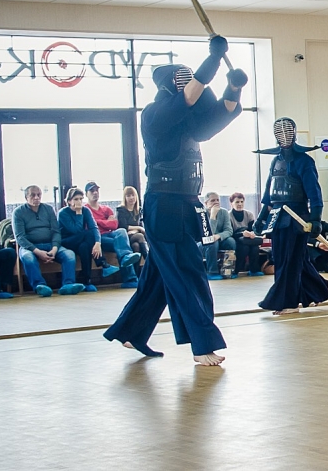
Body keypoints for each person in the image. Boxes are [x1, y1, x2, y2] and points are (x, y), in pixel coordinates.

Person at [104, 36, 247, 364]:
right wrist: (213, 59)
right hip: (164, 205)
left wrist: (234, 87)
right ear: (168, 87)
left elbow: (219, 115)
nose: (187, 85)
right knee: (187, 273)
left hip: (187, 204)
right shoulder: (155, 115)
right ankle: (202, 345)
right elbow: (191, 94)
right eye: (180, 80)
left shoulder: (188, 122)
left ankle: (131, 331)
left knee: (158, 278)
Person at [254, 117, 328, 315]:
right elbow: (269, 193)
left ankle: (288, 302)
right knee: (291, 259)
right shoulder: (275, 161)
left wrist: (315, 219)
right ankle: (316, 291)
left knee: (290, 259)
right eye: (279, 132)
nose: (283, 135)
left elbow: (314, 193)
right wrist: (261, 217)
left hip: (297, 218)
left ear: (294, 134)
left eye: (287, 131)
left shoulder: (304, 161)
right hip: (278, 217)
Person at [13, 185, 84, 297]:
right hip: (30, 247)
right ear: (26, 197)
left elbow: (56, 231)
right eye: (33, 195)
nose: (36, 197)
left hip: (50, 244)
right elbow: (20, 237)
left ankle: (68, 284)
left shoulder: (48, 209)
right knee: (28, 258)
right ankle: (40, 286)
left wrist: (54, 249)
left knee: (69, 254)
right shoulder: (18, 212)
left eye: (39, 195)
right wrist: (37, 251)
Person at [58, 186, 117, 293]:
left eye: (81, 199)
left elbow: (94, 227)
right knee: (87, 234)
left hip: (81, 241)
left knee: (85, 247)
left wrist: (98, 243)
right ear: (69, 201)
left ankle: (87, 281)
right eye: (76, 199)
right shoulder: (63, 213)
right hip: (67, 241)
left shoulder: (86, 210)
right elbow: (76, 230)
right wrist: (78, 213)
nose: (79, 202)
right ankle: (103, 263)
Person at [84, 181, 141, 288]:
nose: (95, 193)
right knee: (120, 244)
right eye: (92, 191)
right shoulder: (85, 210)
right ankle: (131, 278)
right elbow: (90, 227)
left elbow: (114, 225)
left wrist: (97, 222)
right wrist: (105, 222)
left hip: (110, 235)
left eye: (96, 190)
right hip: (98, 239)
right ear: (86, 194)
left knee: (121, 231)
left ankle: (126, 258)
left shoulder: (106, 209)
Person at [202, 191, 236, 280]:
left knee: (231, 241)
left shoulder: (224, 212)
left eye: (218, 200)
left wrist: (218, 236)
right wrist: (213, 216)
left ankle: (228, 271)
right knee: (213, 243)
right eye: (213, 200)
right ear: (206, 203)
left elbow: (229, 231)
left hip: (219, 239)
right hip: (203, 242)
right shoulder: (202, 213)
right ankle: (212, 272)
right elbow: (208, 233)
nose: (216, 202)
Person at [228, 192, 263, 277]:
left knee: (254, 247)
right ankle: (236, 270)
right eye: (237, 202)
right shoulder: (228, 215)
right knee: (244, 248)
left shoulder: (249, 214)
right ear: (231, 203)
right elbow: (230, 232)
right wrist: (242, 233)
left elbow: (252, 229)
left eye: (241, 202)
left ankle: (254, 270)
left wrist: (252, 234)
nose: (240, 204)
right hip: (235, 238)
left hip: (248, 238)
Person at [117, 185, 149, 266]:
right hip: (125, 238)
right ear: (125, 198)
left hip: (135, 237)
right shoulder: (121, 210)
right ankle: (150, 262)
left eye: (133, 195)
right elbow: (123, 226)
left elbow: (141, 225)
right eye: (128, 196)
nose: (131, 198)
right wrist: (138, 228)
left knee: (136, 246)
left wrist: (135, 230)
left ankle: (136, 273)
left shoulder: (139, 210)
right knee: (140, 236)